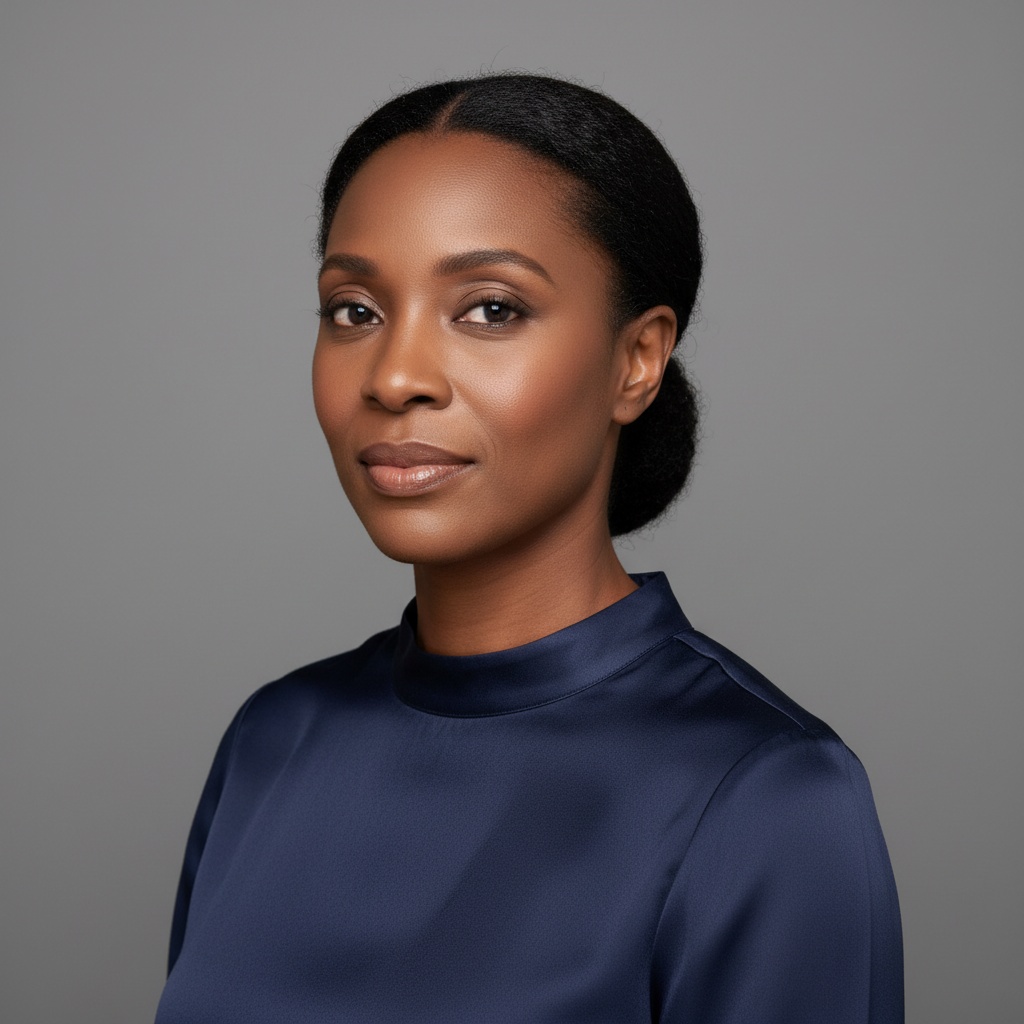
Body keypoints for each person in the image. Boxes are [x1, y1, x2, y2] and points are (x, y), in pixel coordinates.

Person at [154, 74, 903, 1023]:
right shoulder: (273, 742)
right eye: (355, 310)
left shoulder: (769, 797)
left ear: (637, 360)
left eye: (491, 309)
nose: (395, 377)